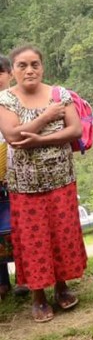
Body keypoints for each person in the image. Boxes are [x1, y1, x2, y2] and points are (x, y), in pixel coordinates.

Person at [0, 46, 87, 322]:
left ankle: (62, 288)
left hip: (61, 179)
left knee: (62, 234)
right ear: (13, 70)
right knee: (32, 240)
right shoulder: (5, 100)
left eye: (35, 64)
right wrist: (48, 118)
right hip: (24, 186)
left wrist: (39, 139)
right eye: (22, 65)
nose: (29, 70)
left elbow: (75, 130)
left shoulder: (59, 94)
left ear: (43, 67)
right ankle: (38, 296)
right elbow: (13, 135)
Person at [0, 55, 11, 299]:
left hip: (16, 176)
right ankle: (2, 282)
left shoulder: (15, 101)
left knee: (19, 228)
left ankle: (25, 277)